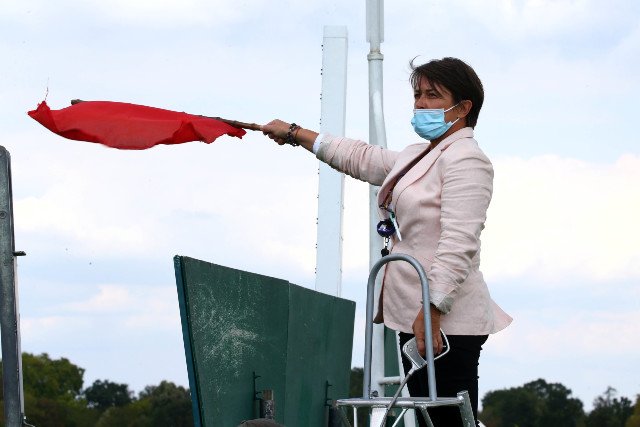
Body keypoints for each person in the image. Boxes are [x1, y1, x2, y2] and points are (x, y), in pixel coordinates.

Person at [261, 57, 512, 427]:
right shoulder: (420, 154)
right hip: (413, 312)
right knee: (431, 420)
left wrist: (432, 309)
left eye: (432, 95)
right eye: (417, 94)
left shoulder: (467, 159)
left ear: (463, 108)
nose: (420, 103)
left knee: (448, 420)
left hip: (446, 320)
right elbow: (361, 157)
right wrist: (296, 133)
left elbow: (459, 242)